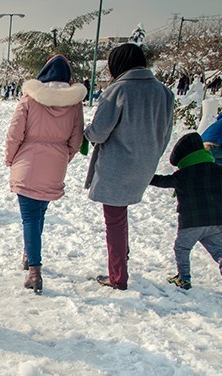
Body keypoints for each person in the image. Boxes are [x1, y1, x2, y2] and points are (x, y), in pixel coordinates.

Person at [84, 43, 174, 291]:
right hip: (145, 164)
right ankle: (121, 260)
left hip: (117, 167)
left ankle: (117, 277)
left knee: (114, 221)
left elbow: (99, 133)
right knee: (119, 218)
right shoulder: (164, 93)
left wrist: (86, 132)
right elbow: (166, 133)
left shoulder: (117, 91)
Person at [5, 54, 86, 294]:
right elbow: (77, 138)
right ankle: (30, 254)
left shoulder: (29, 99)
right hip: (56, 165)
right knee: (39, 214)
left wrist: (11, 158)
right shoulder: (74, 103)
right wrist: (63, 156)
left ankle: (34, 270)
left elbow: (14, 133)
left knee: (30, 217)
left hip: (27, 164)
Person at [150, 132, 222, 303]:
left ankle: (184, 278)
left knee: (182, 248)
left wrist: (143, 176)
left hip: (192, 222)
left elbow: (162, 181)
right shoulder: (221, 170)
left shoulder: (184, 174)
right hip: (218, 220)